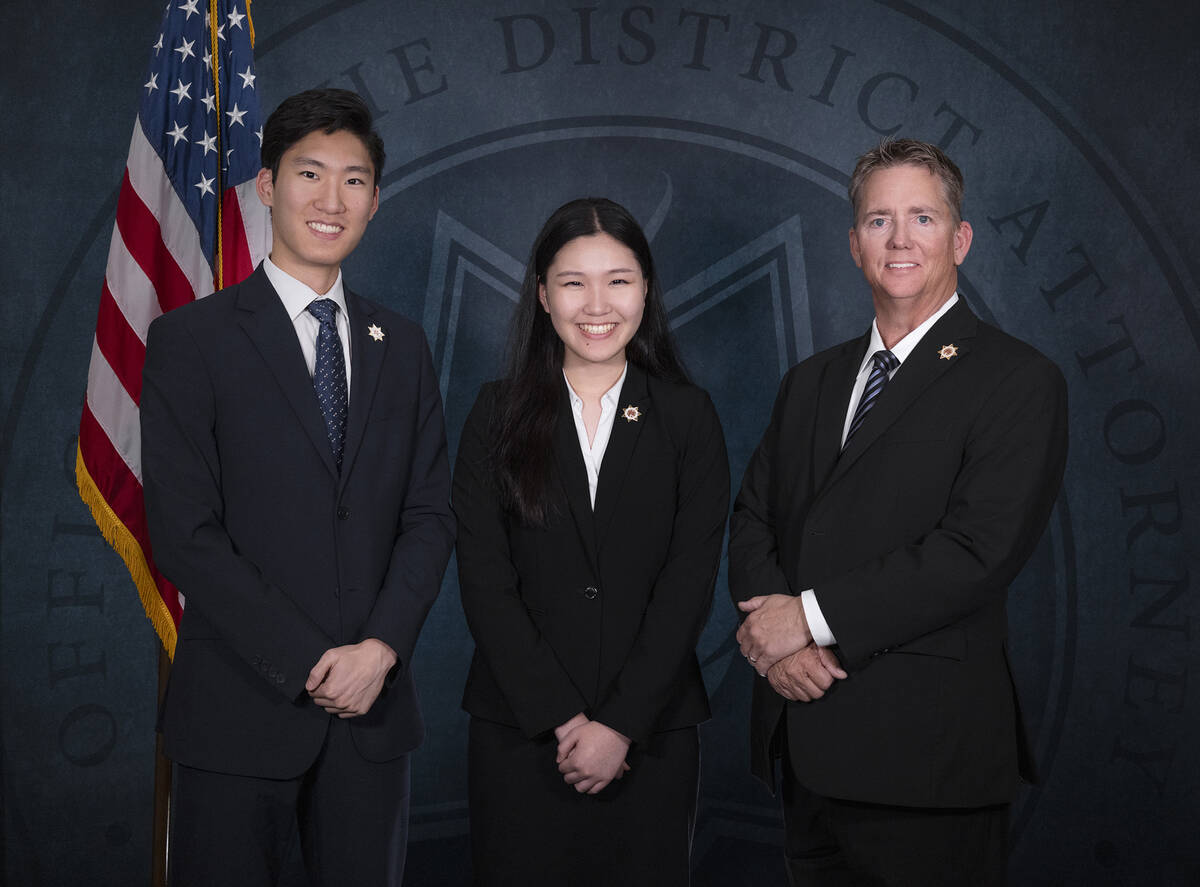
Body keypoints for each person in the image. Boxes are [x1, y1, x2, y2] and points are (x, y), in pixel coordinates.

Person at [729, 138, 1068, 886]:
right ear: (854, 245)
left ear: (960, 238)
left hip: (928, 762)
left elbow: (976, 552)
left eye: (923, 216)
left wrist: (807, 617)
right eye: (880, 220)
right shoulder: (809, 382)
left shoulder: (1018, 380)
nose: (901, 238)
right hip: (807, 745)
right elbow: (753, 515)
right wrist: (779, 646)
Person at [140, 88, 455, 886]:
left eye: (353, 180)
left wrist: (378, 649)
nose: (330, 198)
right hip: (236, 714)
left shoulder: (403, 344)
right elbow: (184, 531)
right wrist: (315, 660)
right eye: (309, 173)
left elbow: (428, 514)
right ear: (267, 186)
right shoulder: (191, 340)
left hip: (373, 718)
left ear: (375, 201)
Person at [453, 197, 729, 885]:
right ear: (543, 295)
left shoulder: (688, 415)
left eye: (619, 279)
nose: (596, 303)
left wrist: (618, 724)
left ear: (646, 291)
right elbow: (485, 580)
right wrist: (561, 716)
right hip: (520, 732)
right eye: (574, 281)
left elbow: (688, 582)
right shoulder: (496, 412)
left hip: (652, 734)